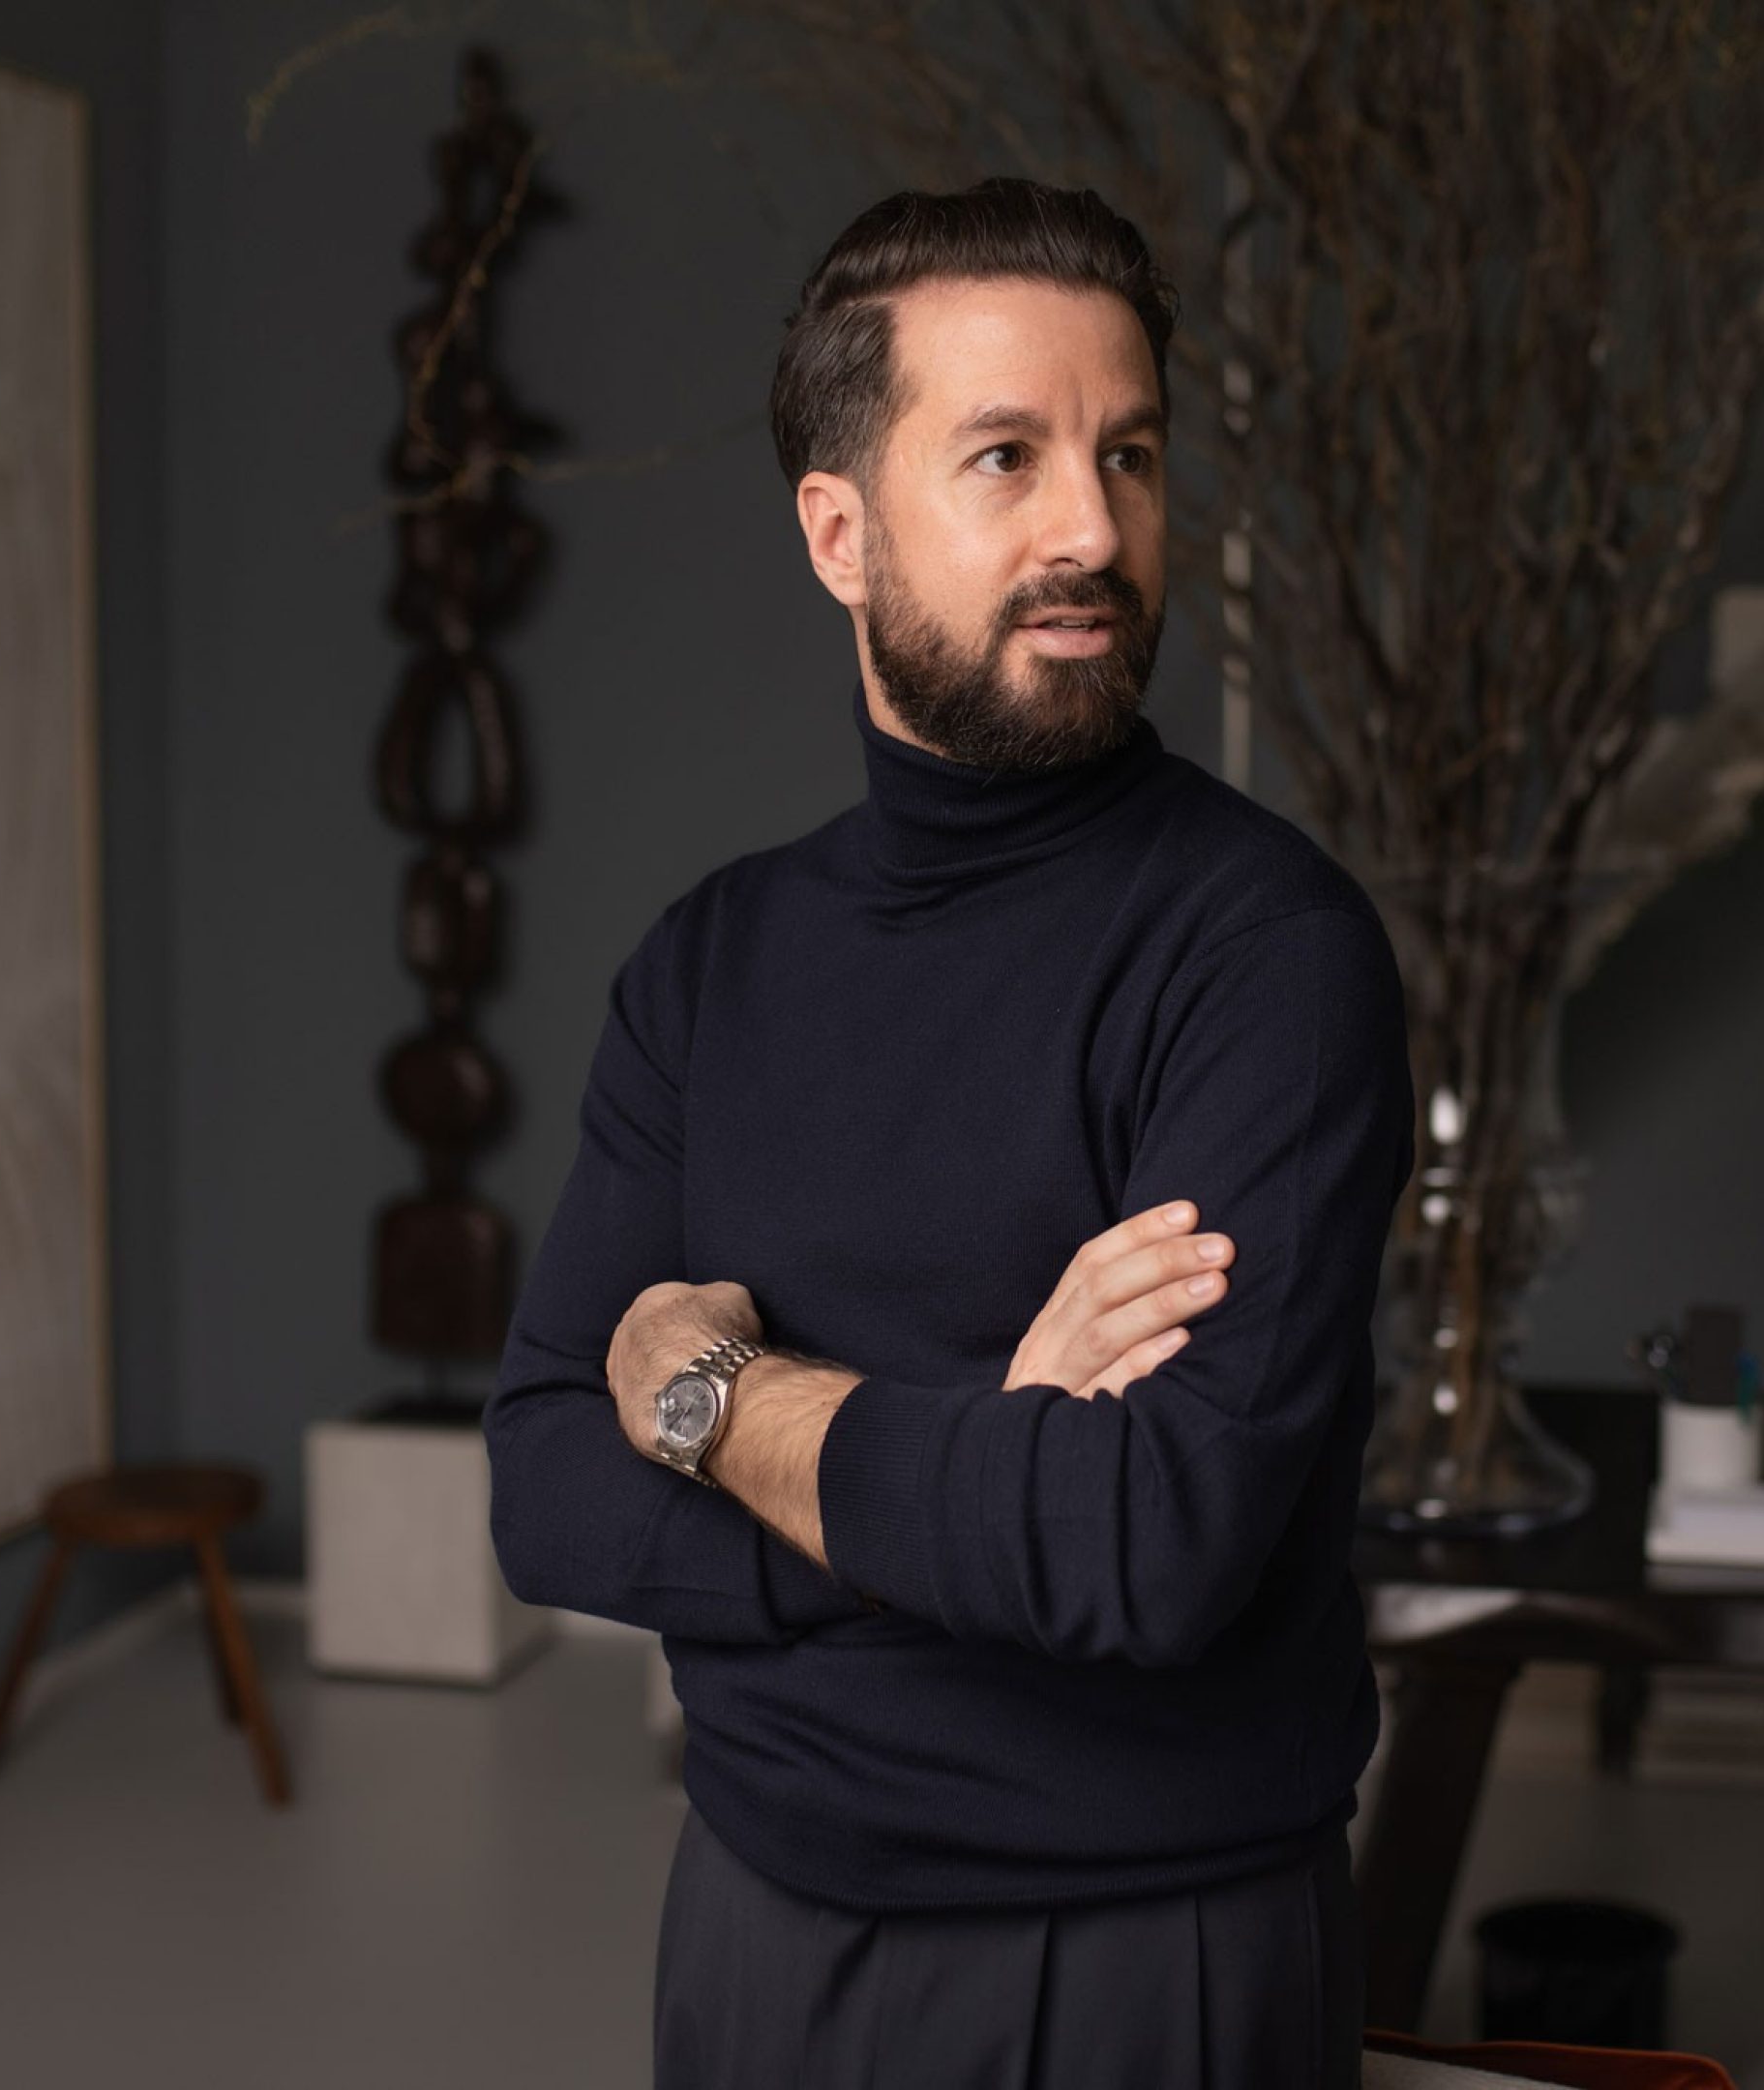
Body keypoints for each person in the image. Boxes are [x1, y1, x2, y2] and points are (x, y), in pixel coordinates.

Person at [484, 177, 1412, 2089]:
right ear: (841, 531)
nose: (1096, 526)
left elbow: (1149, 1547)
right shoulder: (708, 965)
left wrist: (718, 1396)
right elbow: (540, 1487)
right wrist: (981, 1451)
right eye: (1007, 456)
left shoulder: (1268, 954)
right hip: (751, 1925)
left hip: (1149, 1955)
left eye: (1130, 454)